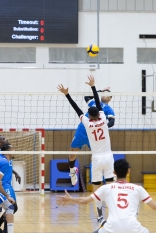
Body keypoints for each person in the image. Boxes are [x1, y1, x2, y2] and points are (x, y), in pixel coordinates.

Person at [57, 75, 115, 227]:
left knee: (97, 190)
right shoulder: (103, 118)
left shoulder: (87, 123)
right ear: (99, 113)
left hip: (96, 158)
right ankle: (114, 213)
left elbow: (76, 108)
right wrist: (94, 87)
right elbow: (95, 100)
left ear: (89, 115)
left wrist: (67, 94)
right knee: (110, 187)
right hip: (108, 157)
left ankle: (100, 216)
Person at [57, 159, 156, 233]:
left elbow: (85, 201)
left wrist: (70, 199)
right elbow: (154, 207)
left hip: (111, 227)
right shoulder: (138, 188)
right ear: (128, 171)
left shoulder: (106, 188)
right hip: (133, 227)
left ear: (114, 172)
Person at [68, 86, 115, 186]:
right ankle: (72, 171)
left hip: (94, 135)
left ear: (110, 98)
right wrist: (100, 91)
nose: (104, 94)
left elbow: (112, 121)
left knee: (96, 156)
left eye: (107, 93)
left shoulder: (109, 109)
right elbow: (87, 97)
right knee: (72, 155)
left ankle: (97, 179)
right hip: (82, 130)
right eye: (103, 93)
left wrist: (105, 126)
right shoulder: (93, 102)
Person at [0, 136, 20, 233]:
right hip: (2, 184)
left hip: (8, 183)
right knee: (11, 207)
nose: (6, 139)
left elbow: (6, 166)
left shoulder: (7, 151)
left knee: (13, 207)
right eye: (3, 138)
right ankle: (5, 231)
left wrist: (15, 173)